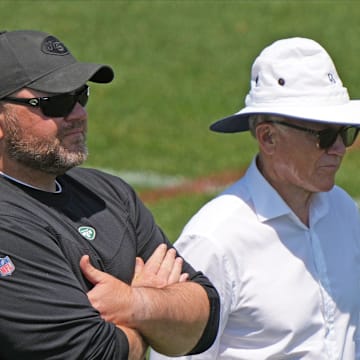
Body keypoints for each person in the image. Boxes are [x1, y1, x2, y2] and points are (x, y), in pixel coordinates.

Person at [0, 30, 220, 359]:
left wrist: (135, 302)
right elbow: (95, 352)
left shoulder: (108, 193)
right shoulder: (7, 226)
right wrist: (156, 316)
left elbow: (203, 321)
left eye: (80, 95)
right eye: (55, 102)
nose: (78, 114)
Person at [150, 37, 360, 359]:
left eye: (345, 133)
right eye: (325, 136)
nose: (339, 149)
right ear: (268, 137)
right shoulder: (215, 241)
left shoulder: (345, 212)